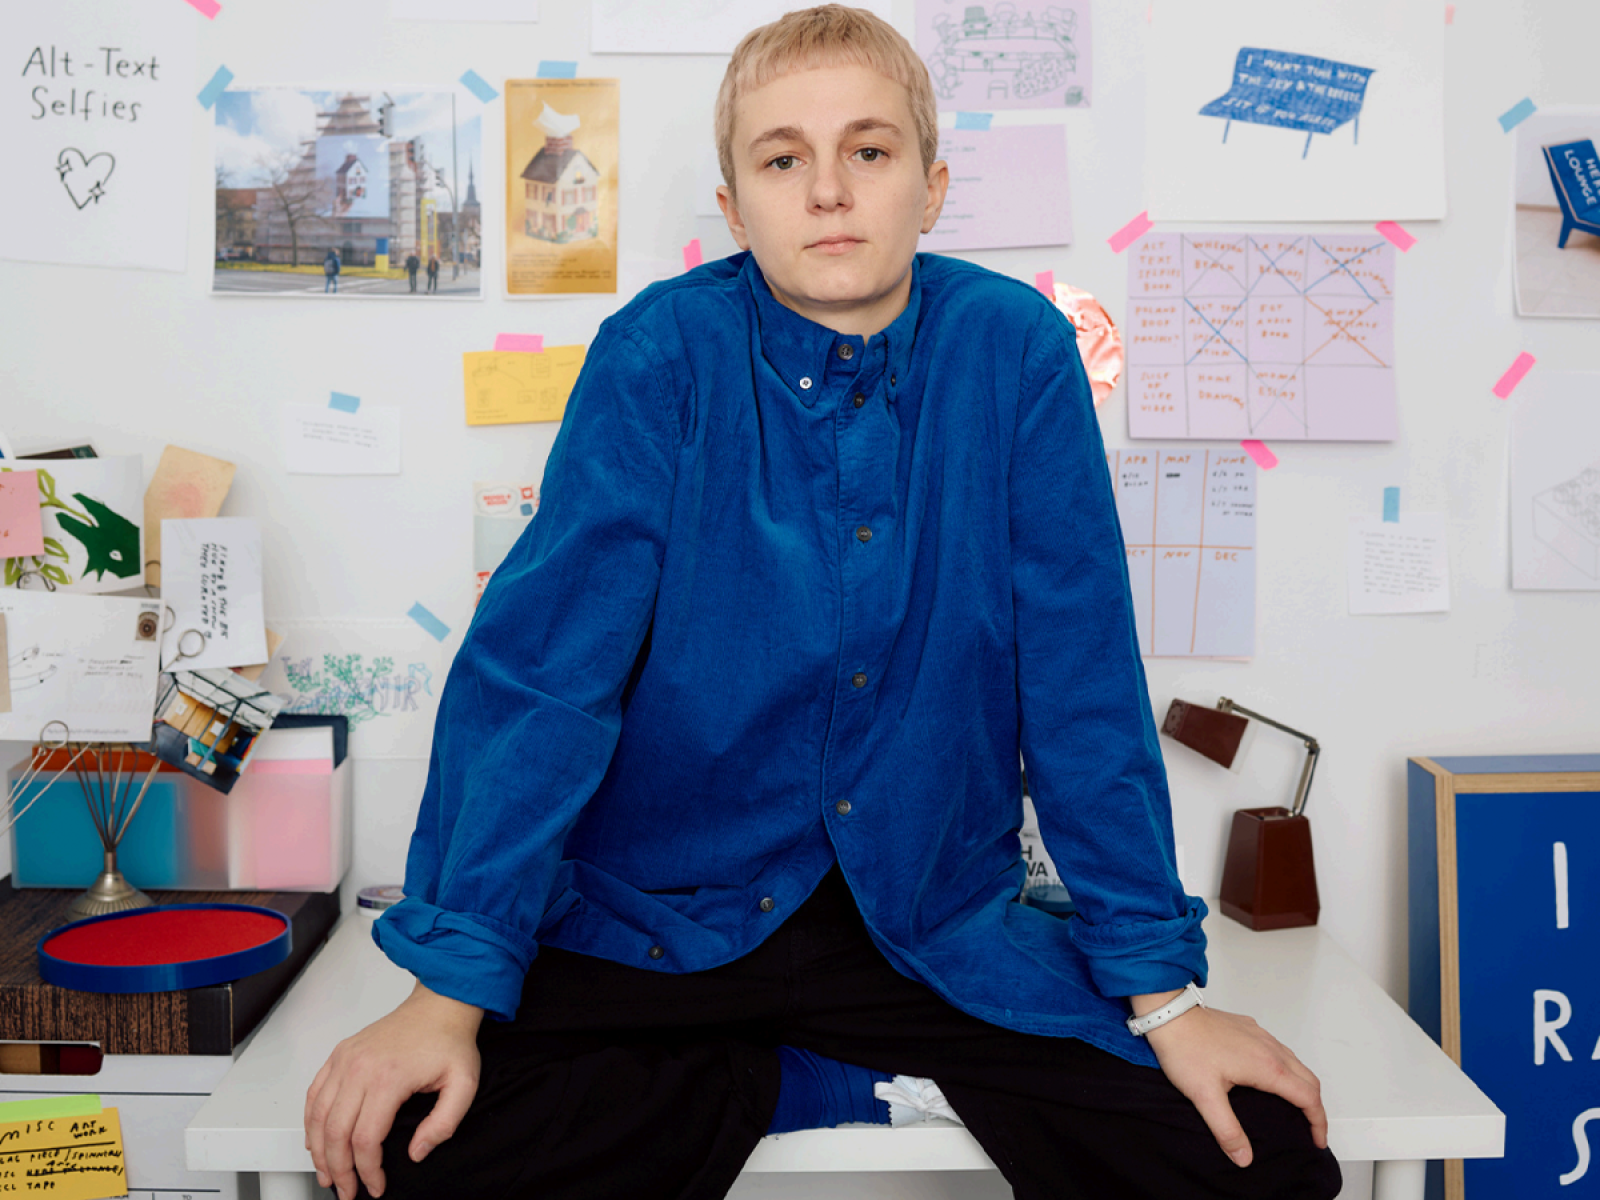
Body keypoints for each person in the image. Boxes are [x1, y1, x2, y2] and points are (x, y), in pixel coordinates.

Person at [303, 8, 1340, 1200]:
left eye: (870, 150)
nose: (828, 190)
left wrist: (1166, 996)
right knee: (411, 1155)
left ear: (932, 186)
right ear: (735, 209)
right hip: (665, 918)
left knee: (1259, 1155)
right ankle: (783, 1072)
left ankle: (790, 1066)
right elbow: (544, 675)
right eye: (783, 158)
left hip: (925, 921)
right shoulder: (657, 357)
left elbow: (1081, 687)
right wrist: (446, 990)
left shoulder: (1016, 356)